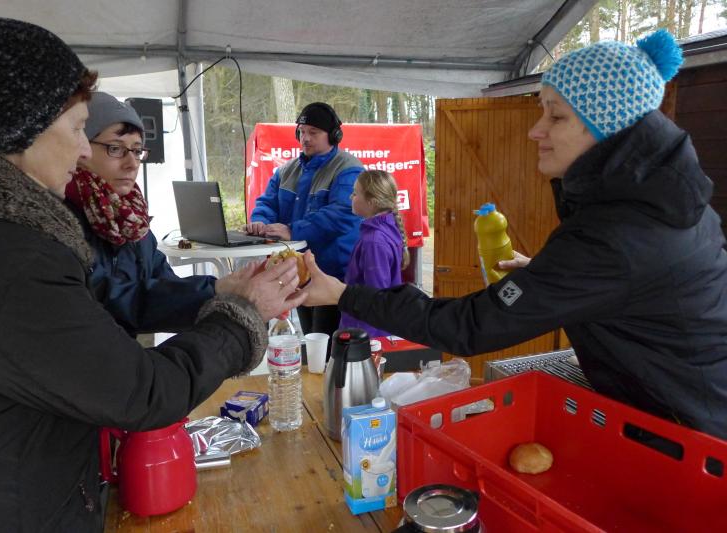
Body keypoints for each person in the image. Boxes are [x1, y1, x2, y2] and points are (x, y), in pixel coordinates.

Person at [0, 18, 305, 532]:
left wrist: (220, 289)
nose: (84, 150)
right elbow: (141, 389)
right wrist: (242, 314)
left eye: (136, 150)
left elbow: (149, 292)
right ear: (18, 124)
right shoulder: (10, 253)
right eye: (79, 129)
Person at [301, 30, 727, 440]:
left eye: (556, 115)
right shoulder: (662, 199)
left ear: (607, 127)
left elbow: (470, 326)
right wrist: (545, 273)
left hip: (693, 437)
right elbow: (641, 289)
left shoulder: (618, 233)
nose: (535, 130)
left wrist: (344, 294)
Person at [66, 91, 235, 336]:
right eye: (115, 148)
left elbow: (165, 285)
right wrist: (216, 290)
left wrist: (228, 293)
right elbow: (107, 298)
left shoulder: (132, 221)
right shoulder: (59, 220)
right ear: (81, 147)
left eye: (137, 151)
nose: (132, 163)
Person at [245, 102, 363, 338]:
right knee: (311, 339)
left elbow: (342, 214)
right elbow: (267, 203)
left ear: (333, 136)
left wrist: (293, 230)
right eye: (301, 132)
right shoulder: (286, 170)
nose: (305, 138)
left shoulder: (348, 169)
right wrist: (260, 221)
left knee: (327, 341)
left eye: (313, 132)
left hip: (333, 273)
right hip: (299, 272)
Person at [339, 170, 410, 337]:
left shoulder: (374, 241)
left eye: (355, 193)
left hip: (366, 332)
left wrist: (369, 341)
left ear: (372, 202)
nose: (351, 197)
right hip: (370, 327)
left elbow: (376, 299)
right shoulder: (385, 228)